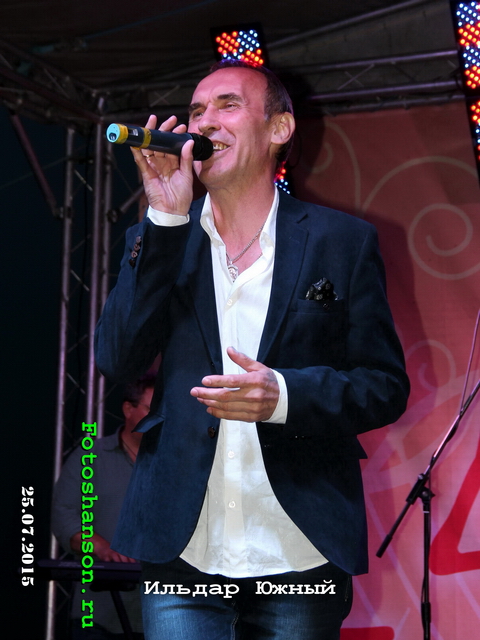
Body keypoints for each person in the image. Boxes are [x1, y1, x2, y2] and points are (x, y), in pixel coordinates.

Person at [94, 59, 410, 640]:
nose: (204, 121)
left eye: (228, 105)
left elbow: (384, 386)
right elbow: (117, 359)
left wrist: (284, 395)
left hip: (298, 548)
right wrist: (164, 217)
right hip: (184, 547)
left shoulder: (341, 242)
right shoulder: (158, 237)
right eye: (195, 111)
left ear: (279, 129)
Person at [51, 374, 155, 640]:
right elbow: (64, 515)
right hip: (98, 612)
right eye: (152, 409)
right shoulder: (91, 457)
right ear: (128, 409)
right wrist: (101, 547)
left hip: (163, 613)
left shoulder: (177, 463)